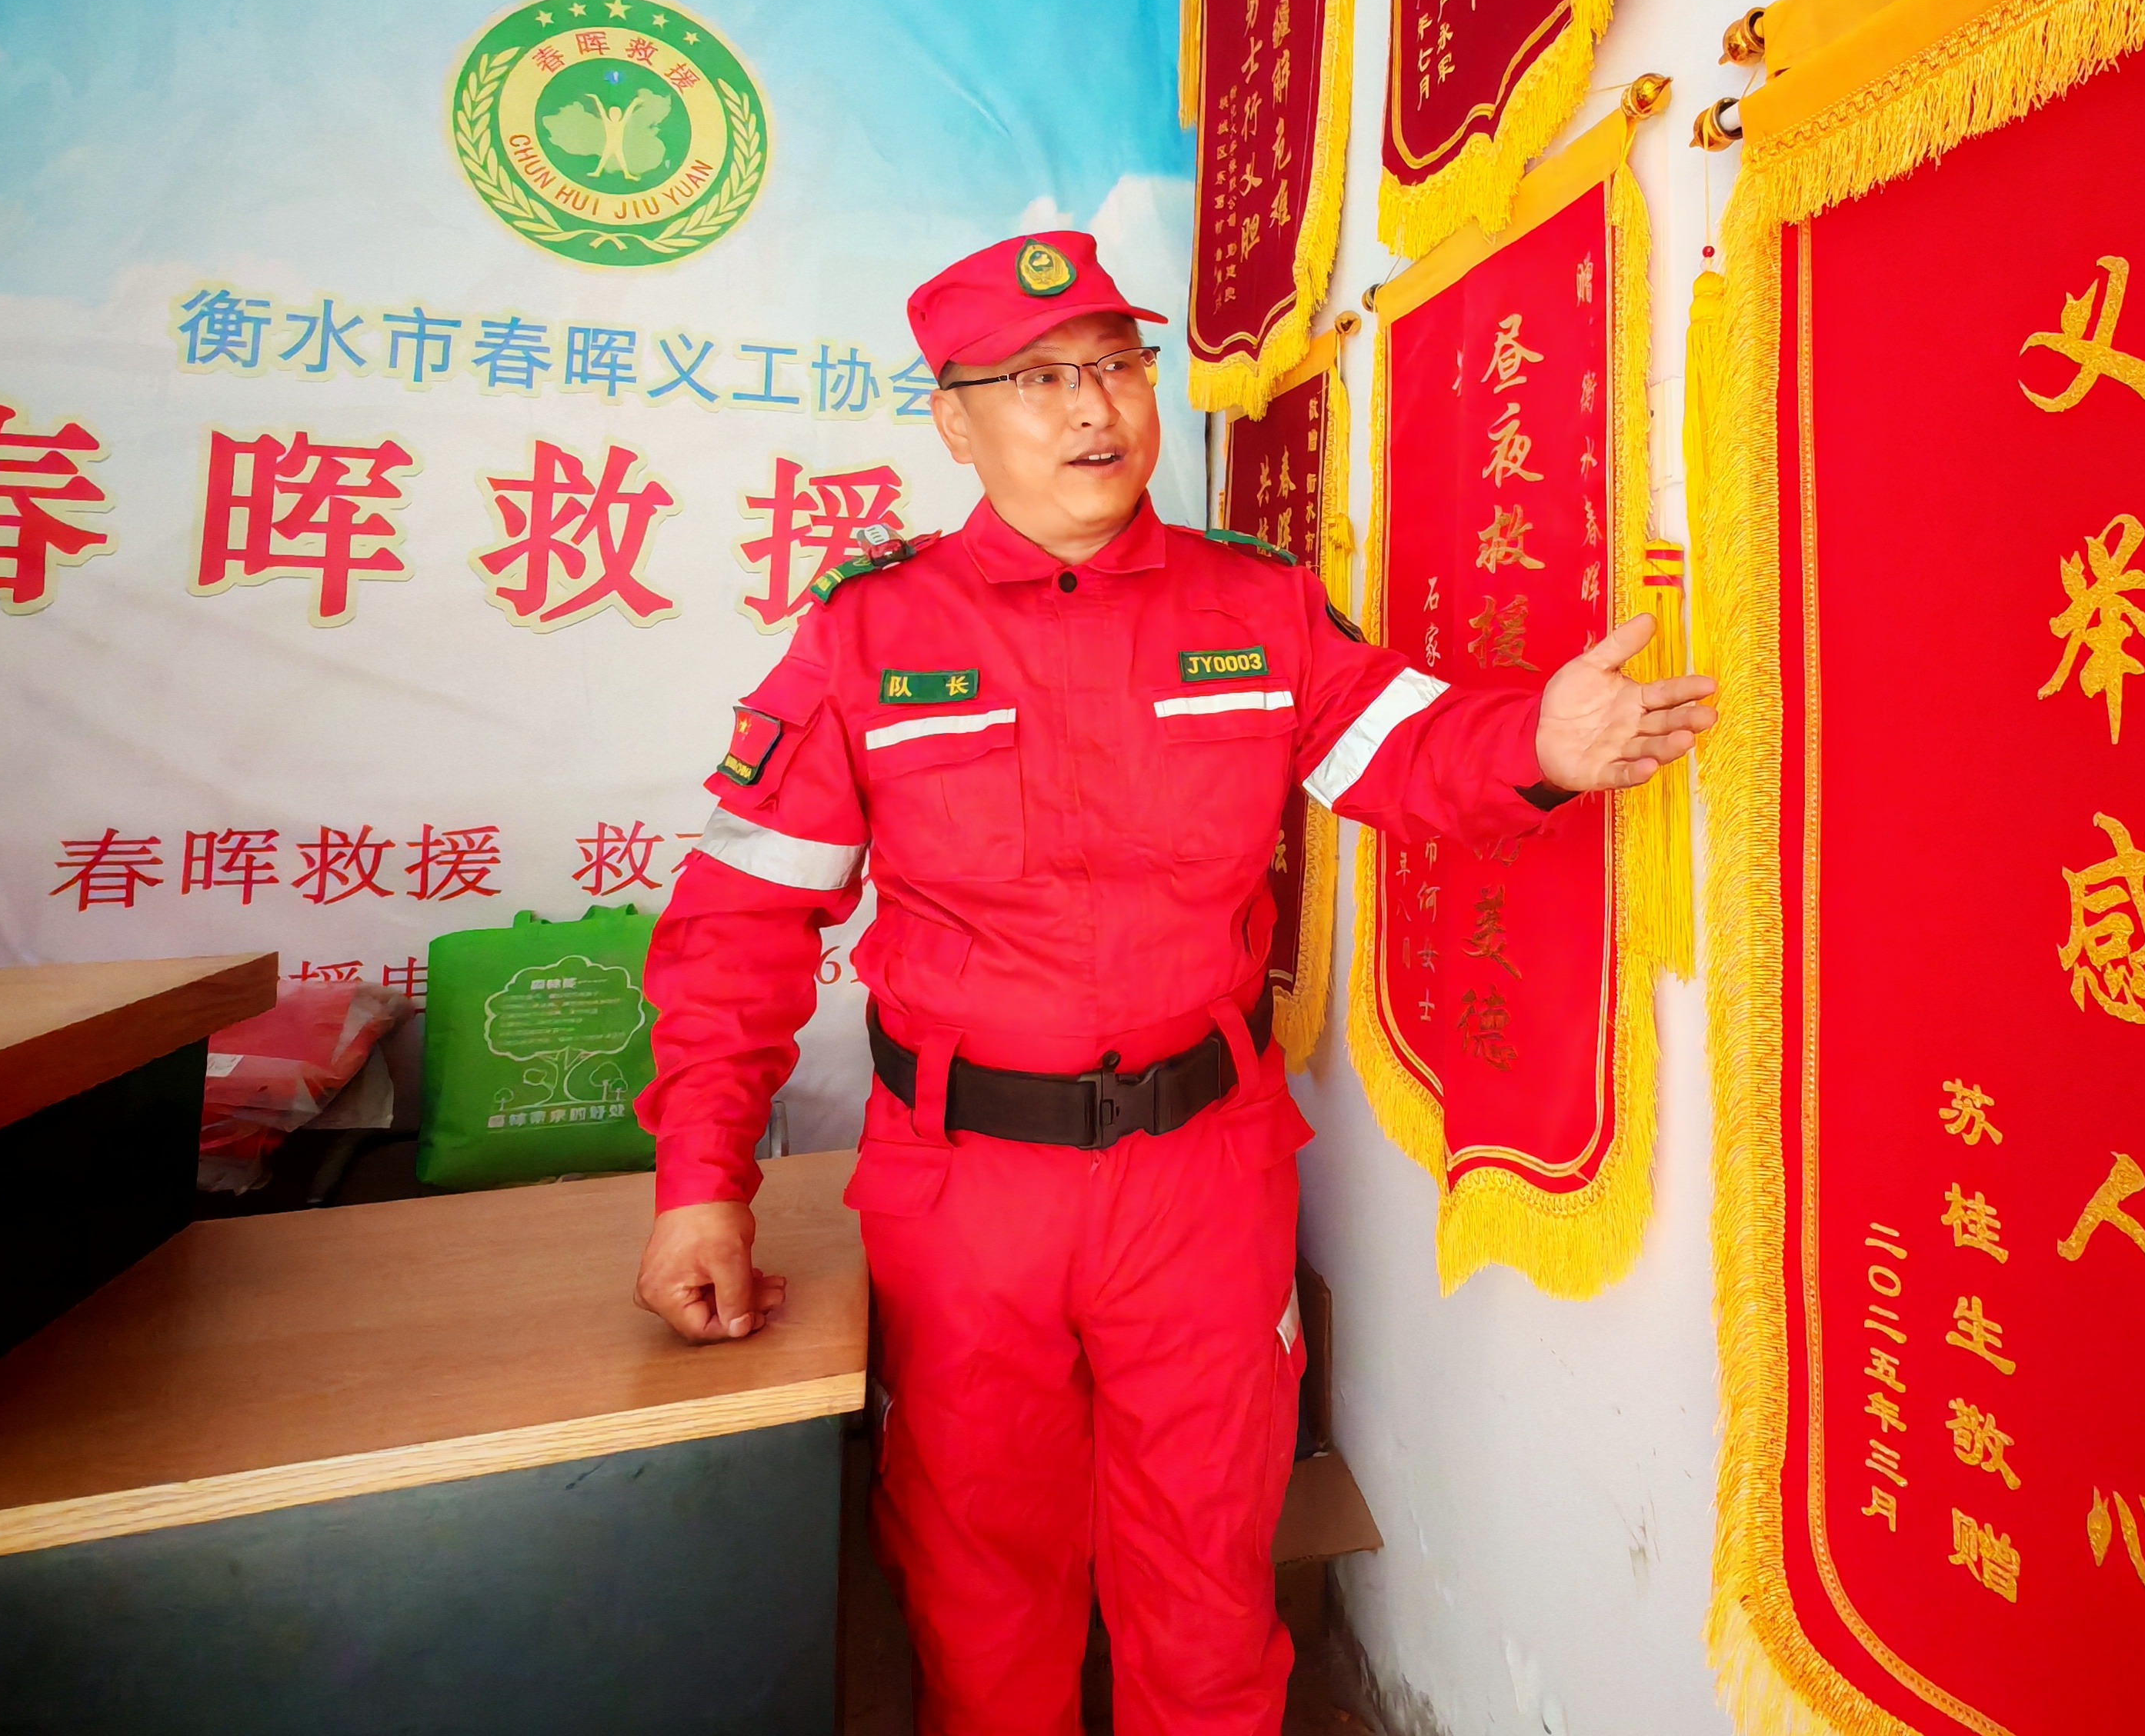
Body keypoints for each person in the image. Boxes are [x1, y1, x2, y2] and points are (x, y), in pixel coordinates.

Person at [630, 229, 1714, 1735]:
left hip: (1202, 1177)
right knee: (978, 1580)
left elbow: (1402, 747)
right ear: (953, 421)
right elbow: (740, 926)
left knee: (1206, 1571)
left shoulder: (1253, 607)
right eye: (1037, 379)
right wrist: (702, 1183)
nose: (1094, 409)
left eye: (1117, 366)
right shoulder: (869, 634)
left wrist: (1535, 742)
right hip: (964, 1191)